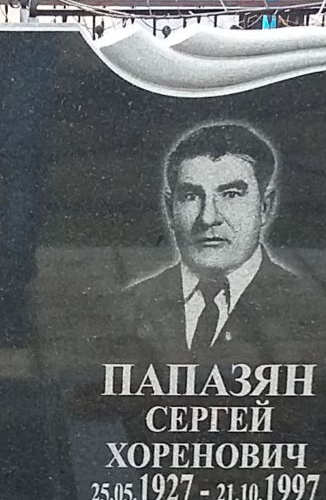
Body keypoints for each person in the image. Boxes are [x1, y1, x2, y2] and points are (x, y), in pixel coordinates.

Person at [123, 121, 313, 358]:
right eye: (191, 196)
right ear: (170, 210)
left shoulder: (314, 308)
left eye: (231, 195)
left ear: (265, 206)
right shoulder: (127, 307)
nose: (208, 218)